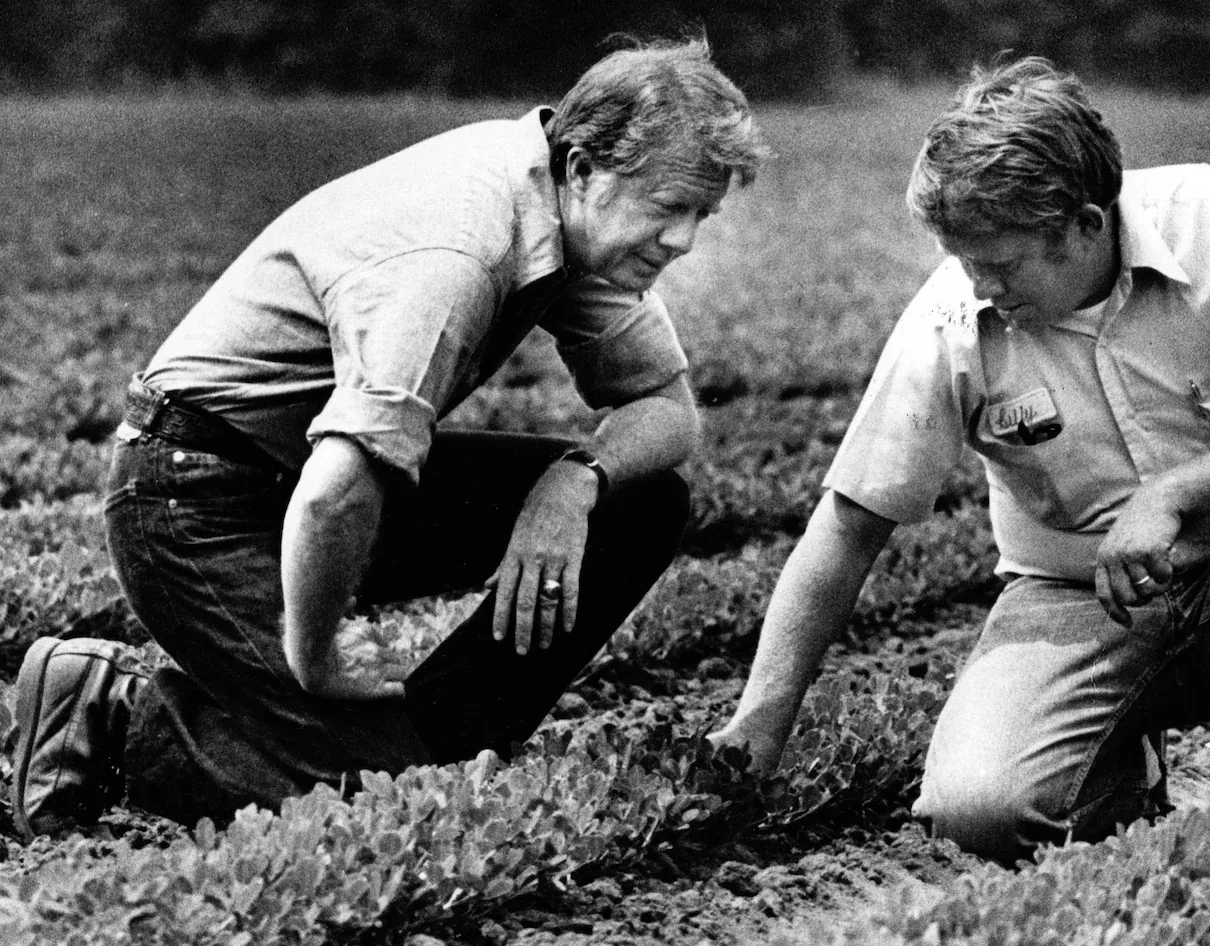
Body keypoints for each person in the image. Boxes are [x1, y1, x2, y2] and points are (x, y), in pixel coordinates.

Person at [10, 38, 767, 838]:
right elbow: (335, 495)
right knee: (384, 787)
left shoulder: (568, 220)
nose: (683, 240)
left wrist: (574, 481)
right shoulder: (459, 251)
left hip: (293, 473)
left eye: (702, 216)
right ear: (584, 168)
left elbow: (667, 407)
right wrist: (319, 657)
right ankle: (115, 711)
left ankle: (445, 729)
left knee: (640, 499)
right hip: (193, 491)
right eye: (670, 207)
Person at [711, 57, 1210, 864]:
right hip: (1075, 597)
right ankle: (1120, 773)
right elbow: (848, 527)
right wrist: (761, 717)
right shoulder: (952, 319)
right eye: (965, 259)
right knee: (977, 814)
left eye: (1002, 263)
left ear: (1084, 223)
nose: (980, 284)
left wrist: (1173, 495)